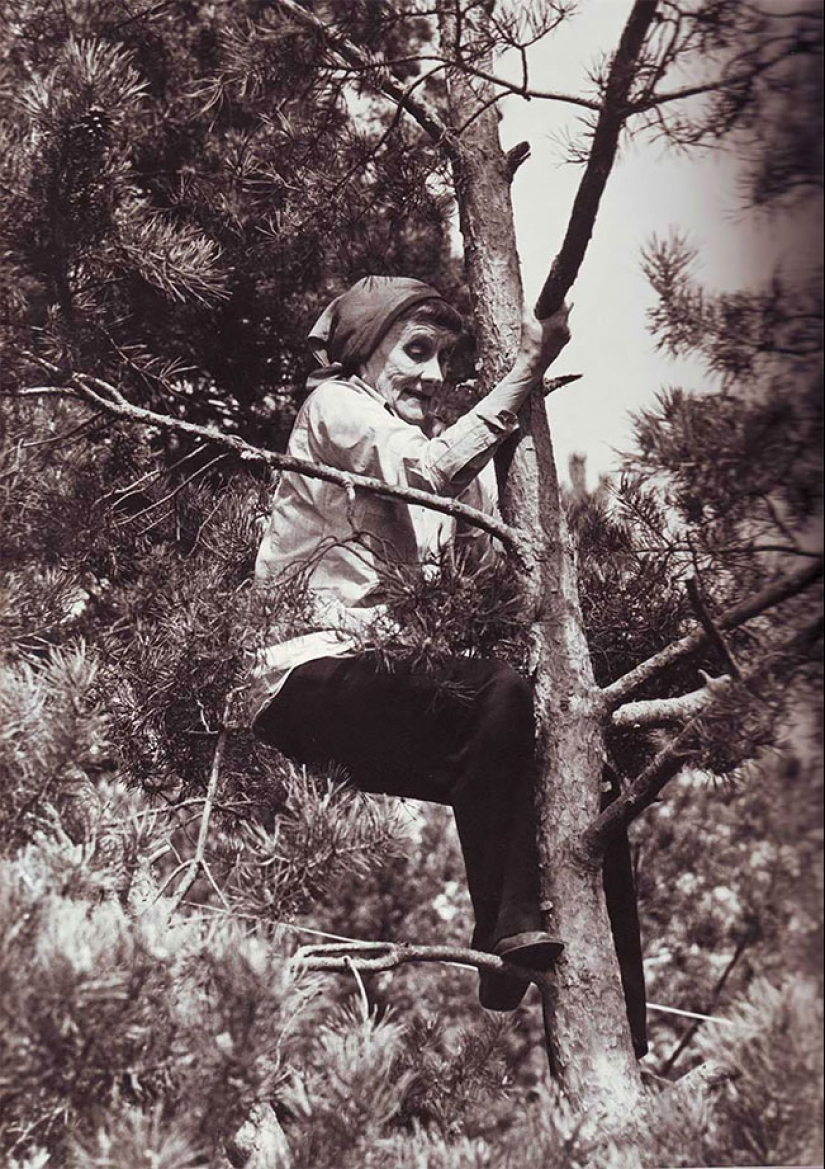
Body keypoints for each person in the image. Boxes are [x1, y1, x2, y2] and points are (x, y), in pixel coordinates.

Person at [249, 276, 646, 1050]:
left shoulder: (394, 433)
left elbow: (461, 594)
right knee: (500, 695)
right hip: (305, 676)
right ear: (365, 351)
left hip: (368, 685)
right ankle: (503, 918)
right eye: (416, 351)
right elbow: (428, 470)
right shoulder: (337, 406)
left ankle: (623, 1027)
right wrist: (526, 370)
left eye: (445, 359)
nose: (433, 376)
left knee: (585, 770)